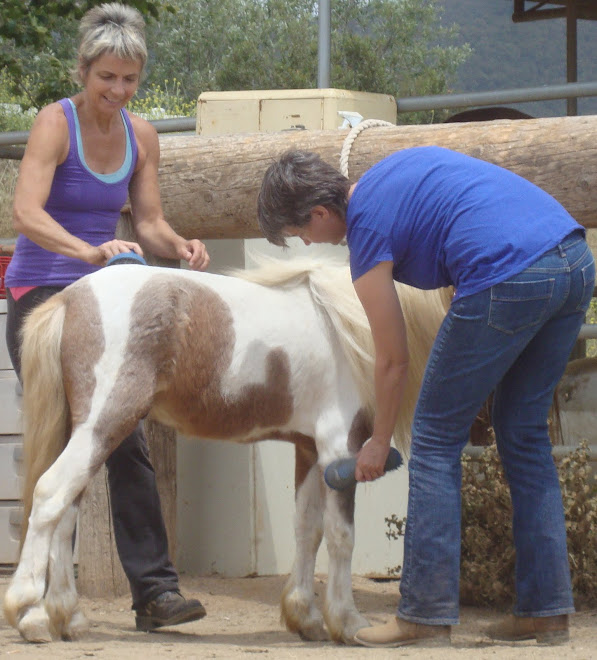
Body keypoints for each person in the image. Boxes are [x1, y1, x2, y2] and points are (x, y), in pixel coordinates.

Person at [257, 146, 595, 648]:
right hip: (575, 262)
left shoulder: (366, 230)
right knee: (523, 433)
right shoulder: (390, 173)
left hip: (508, 273)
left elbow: (392, 359)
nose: (309, 241)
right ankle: (545, 611)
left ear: (321, 214)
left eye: (302, 232)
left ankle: (424, 614)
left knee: (435, 439)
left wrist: (377, 441)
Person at [4, 3, 210, 632]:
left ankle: (154, 593)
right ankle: (43, 588)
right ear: (84, 72)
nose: (117, 92)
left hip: (108, 301)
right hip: (43, 294)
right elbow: (25, 214)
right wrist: (86, 250)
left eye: (129, 80)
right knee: (62, 434)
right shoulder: (53, 123)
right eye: (106, 79)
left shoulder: (141, 135)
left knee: (124, 439)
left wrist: (179, 246)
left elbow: (145, 220)